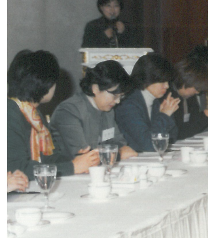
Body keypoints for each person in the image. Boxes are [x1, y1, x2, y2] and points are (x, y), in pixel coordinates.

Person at [7, 49, 100, 177]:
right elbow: (16, 168)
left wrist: (78, 160)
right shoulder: (9, 113)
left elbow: (50, 159)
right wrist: (72, 167)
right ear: (44, 83)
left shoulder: (34, 114)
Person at [50, 60, 138, 162]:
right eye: (114, 96)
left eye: (121, 96)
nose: (117, 101)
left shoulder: (107, 110)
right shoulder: (69, 111)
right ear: (95, 88)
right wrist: (118, 154)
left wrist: (120, 149)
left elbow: (119, 142)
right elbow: (82, 155)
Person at [115, 53, 179, 152]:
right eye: (162, 81)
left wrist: (166, 114)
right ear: (147, 78)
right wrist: (164, 115)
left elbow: (172, 137)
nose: (166, 86)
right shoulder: (128, 105)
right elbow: (150, 144)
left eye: (167, 81)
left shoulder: (155, 100)